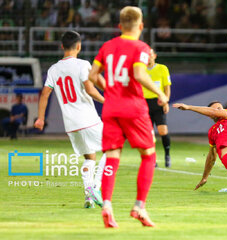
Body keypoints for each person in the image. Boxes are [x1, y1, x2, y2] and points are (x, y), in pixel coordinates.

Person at [88, 6, 168, 228]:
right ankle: (139, 206)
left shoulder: (107, 46)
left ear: (119, 26)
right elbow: (140, 74)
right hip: (134, 107)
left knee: (112, 156)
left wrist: (109, 89)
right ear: (141, 26)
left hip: (111, 108)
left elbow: (93, 76)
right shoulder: (141, 47)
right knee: (149, 155)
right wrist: (161, 93)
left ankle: (106, 205)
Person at [34, 30, 106, 209]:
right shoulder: (83, 64)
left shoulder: (53, 69)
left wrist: (40, 118)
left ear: (62, 47)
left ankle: (88, 195)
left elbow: (45, 93)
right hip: (88, 118)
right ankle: (96, 187)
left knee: (90, 157)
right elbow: (89, 89)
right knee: (112, 148)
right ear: (79, 46)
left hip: (71, 124)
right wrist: (107, 100)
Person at [144, 49, 172, 168]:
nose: (148, 57)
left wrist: (166, 101)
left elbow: (167, 88)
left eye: (150, 55)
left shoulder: (162, 68)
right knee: (149, 134)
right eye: (146, 55)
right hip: (144, 103)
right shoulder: (141, 69)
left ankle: (167, 154)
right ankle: (153, 159)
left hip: (158, 102)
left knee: (162, 131)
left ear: (154, 56)